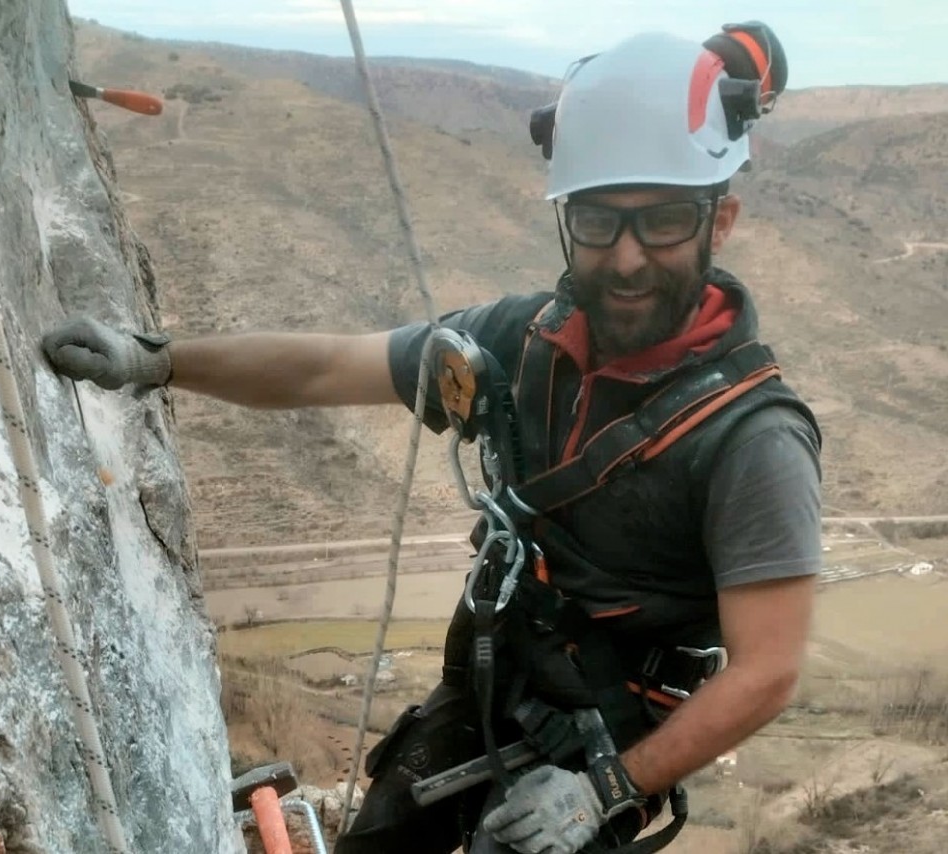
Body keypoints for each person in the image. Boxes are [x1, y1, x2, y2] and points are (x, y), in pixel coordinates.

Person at [41, 23, 821, 854]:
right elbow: (328, 370)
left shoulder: (753, 440)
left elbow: (766, 669)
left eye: (663, 221)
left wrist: (610, 789)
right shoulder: (522, 342)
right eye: (599, 222)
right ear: (568, 220)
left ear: (720, 219)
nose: (628, 259)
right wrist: (155, 362)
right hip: (489, 691)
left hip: (609, 747)